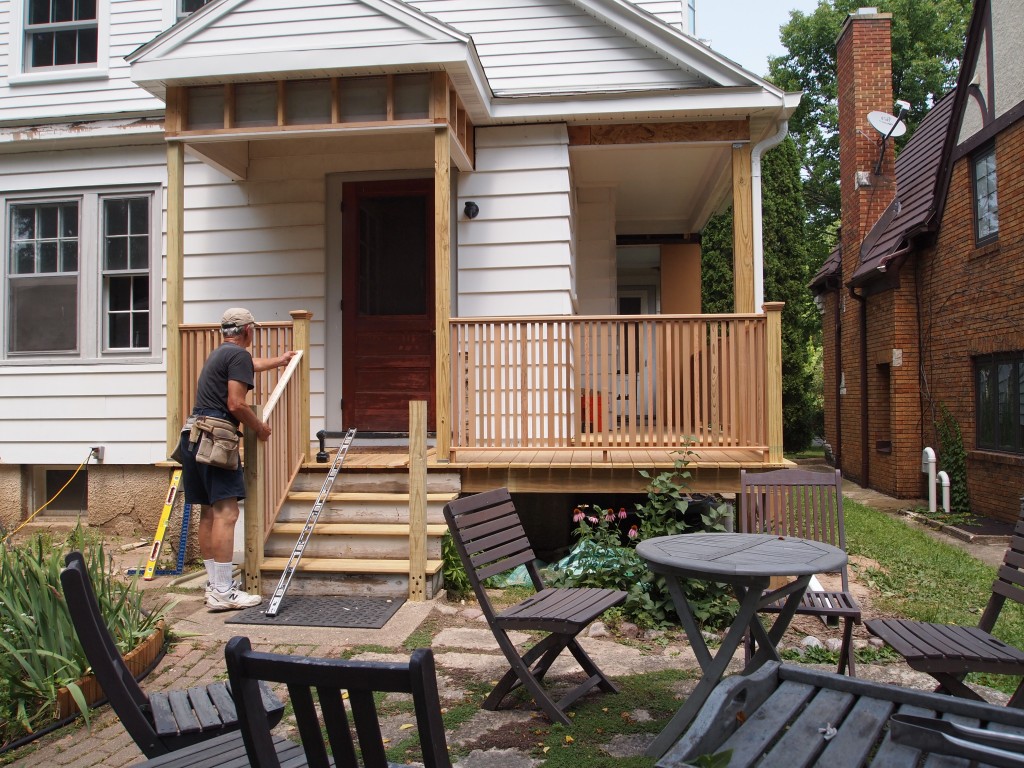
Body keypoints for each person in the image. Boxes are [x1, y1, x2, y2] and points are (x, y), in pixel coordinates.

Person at [179, 308, 296, 611]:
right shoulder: (238, 357)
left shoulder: (221, 354)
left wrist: (279, 362)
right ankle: (223, 591)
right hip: (215, 440)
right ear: (247, 331)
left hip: (192, 436)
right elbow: (236, 403)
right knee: (227, 513)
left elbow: (250, 364)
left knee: (209, 513)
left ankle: (214, 585)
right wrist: (259, 427)